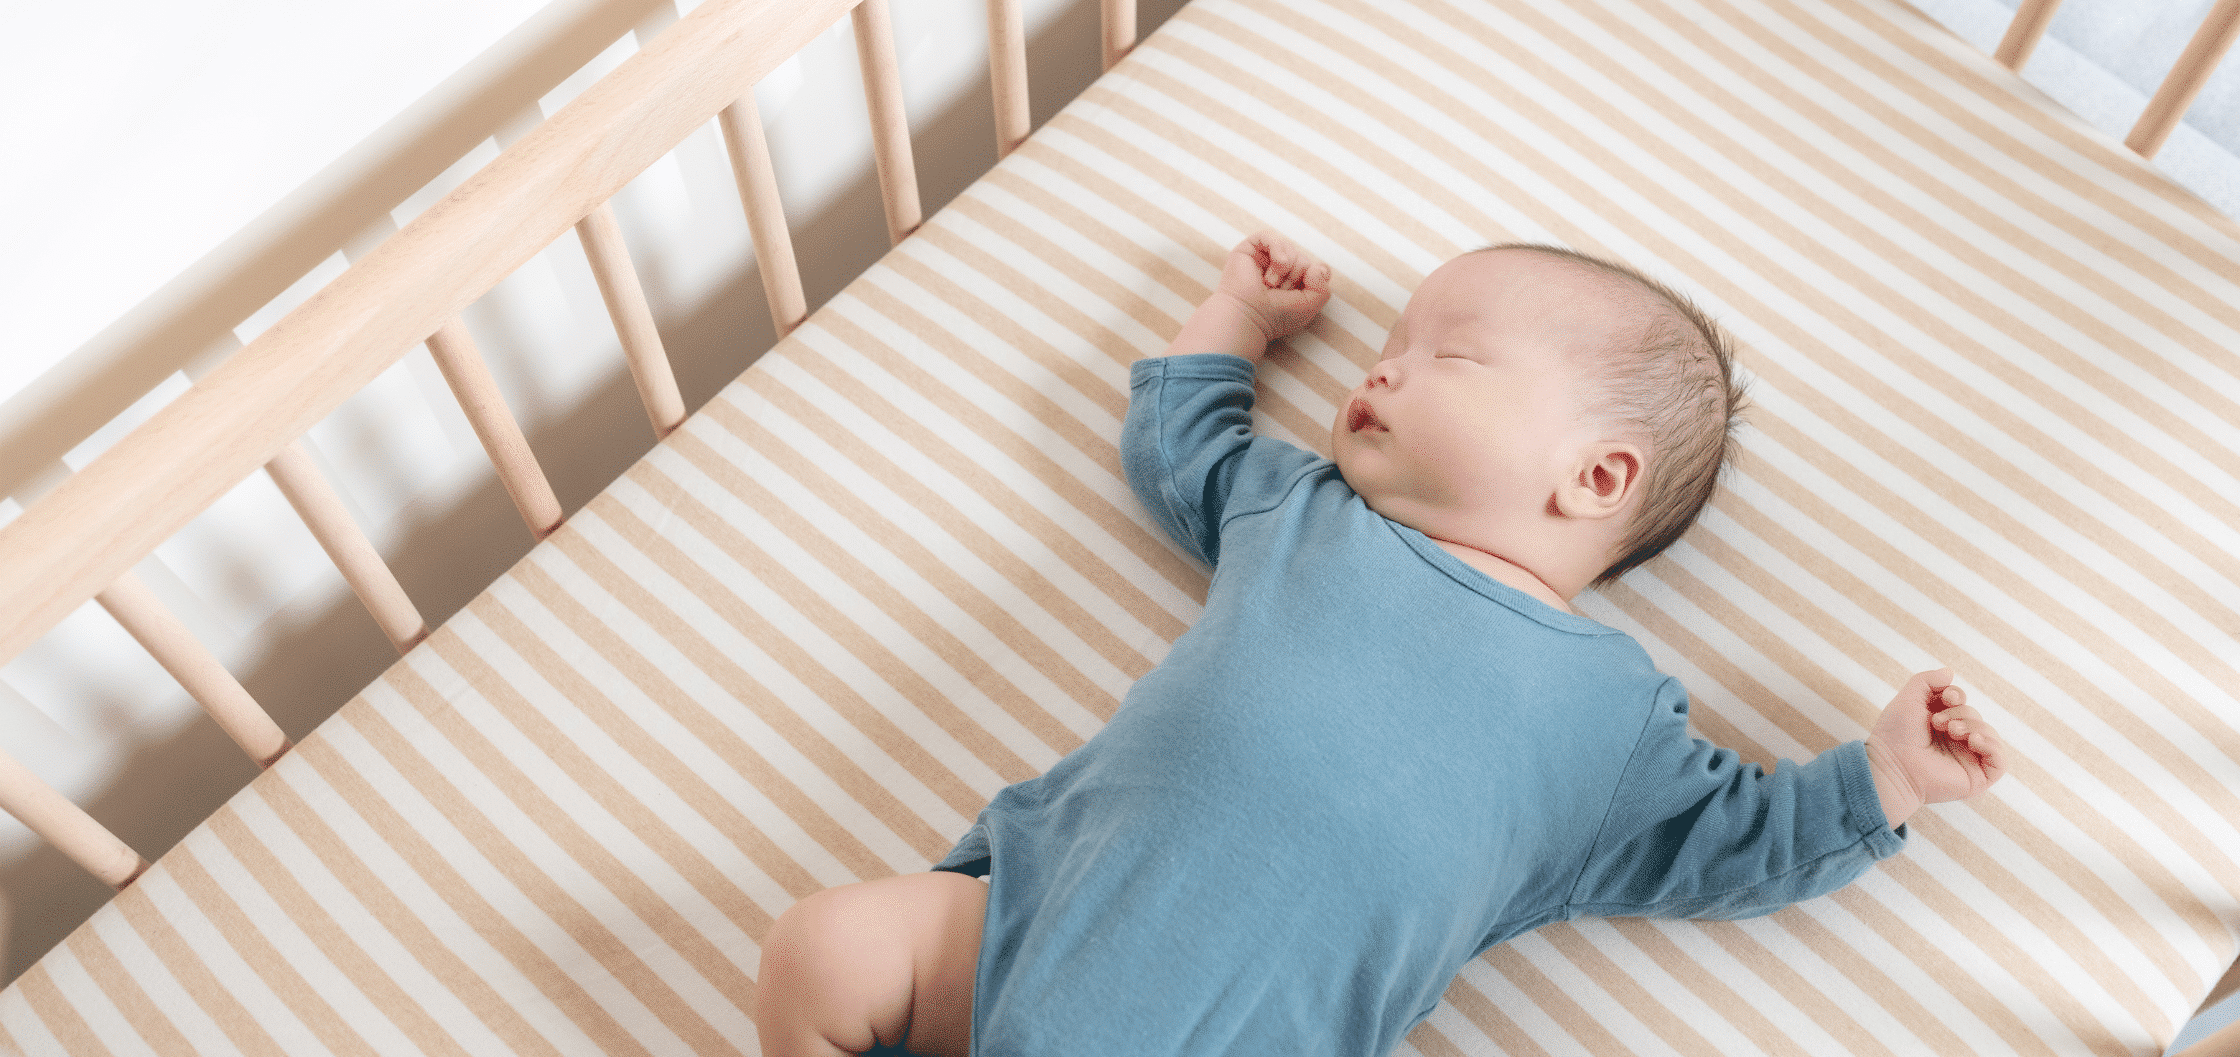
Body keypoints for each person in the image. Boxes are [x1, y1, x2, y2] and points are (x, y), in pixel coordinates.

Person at [753, 231, 2010, 1057]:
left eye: (1445, 357)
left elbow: (1737, 843)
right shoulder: (1301, 514)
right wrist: (1232, 317)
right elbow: (1175, 449)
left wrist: (1886, 776)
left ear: (1596, 477)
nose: (1383, 372)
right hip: (1027, 926)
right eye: (1388, 348)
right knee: (825, 945)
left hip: (1260, 1032)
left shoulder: (1612, 722)